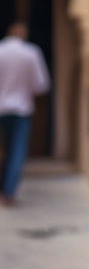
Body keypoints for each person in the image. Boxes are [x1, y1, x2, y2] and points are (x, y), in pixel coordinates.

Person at [0, 20, 51, 206]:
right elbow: (41, 85)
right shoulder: (31, 52)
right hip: (21, 109)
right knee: (16, 152)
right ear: (23, 34)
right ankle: (8, 193)